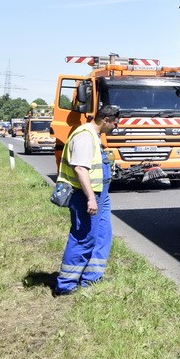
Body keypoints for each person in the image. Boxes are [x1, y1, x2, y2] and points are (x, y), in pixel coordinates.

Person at [54, 105, 120, 296]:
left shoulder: (95, 135)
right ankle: (66, 285)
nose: (115, 127)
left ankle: (91, 279)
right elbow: (80, 169)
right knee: (83, 237)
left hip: (101, 193)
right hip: (85, 195)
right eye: (114, 123)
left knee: (102, 236)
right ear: (106, 120)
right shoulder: (84, 136)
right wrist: (91, 198)